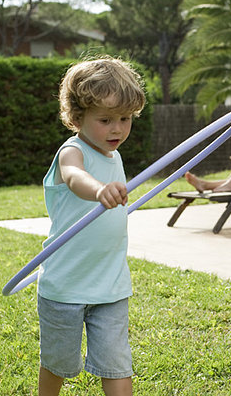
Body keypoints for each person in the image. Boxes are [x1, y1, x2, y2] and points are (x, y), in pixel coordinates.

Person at [37, 57, 145, 396]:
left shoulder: (116, 156)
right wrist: (99, 190)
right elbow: (73, 177)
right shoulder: (73, 151)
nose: (117, 128)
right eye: (105, 119)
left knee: (117, 364)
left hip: (111, 286)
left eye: (125, 119)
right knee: (58, 364)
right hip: (65, 286)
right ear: (77, 117)